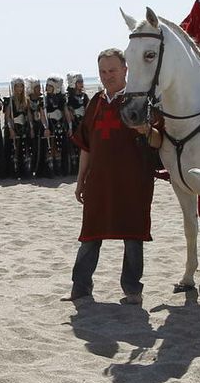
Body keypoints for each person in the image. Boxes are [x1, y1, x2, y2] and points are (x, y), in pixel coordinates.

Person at [66, 49, 155, 304]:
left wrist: (147, 130)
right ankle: (80, 289)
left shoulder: (139, 101)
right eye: (103, 72)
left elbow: (159, 140)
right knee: (90, 235)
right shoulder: (95, 102)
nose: (107, 76)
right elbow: (86, 145)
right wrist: (81, 180)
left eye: (112, 71)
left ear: (126, 69)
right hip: (99, 182)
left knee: (133, 235)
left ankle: (132, 291)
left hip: (132, 181)